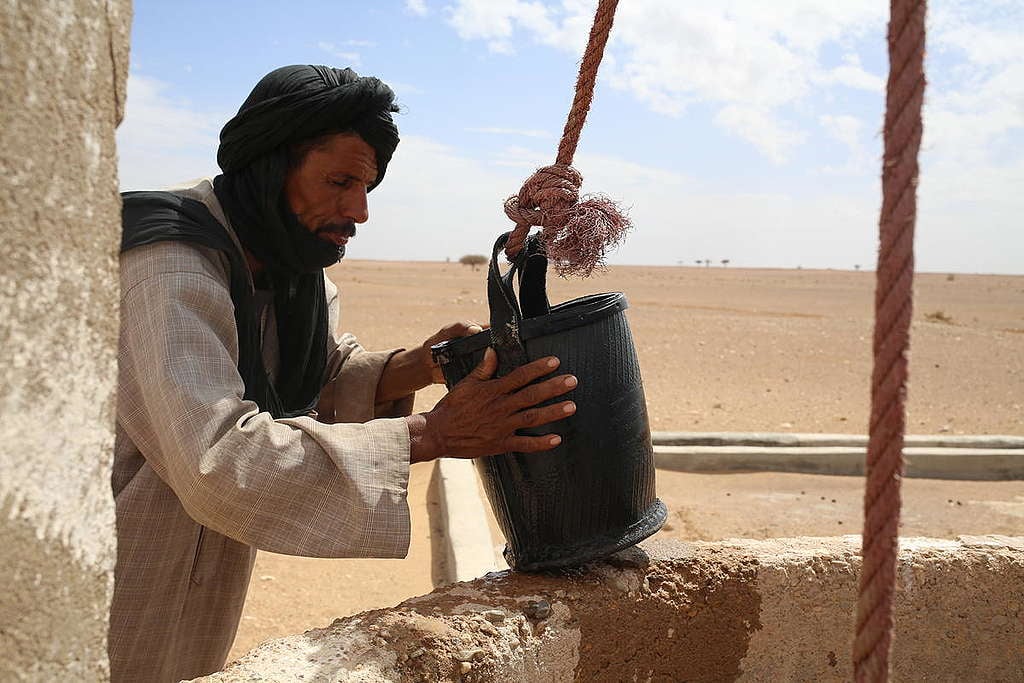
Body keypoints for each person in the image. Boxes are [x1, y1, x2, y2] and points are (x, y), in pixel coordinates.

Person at [110, 65, 577, 682]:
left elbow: (311, 382)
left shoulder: (294, 270)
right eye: (339, 181)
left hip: (195, 570)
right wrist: (430, 436)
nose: (358, 209)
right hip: (109, 559)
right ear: (270, 166)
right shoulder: (169, 266)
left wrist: (421, 364)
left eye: (367, 187)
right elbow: (216, 458)